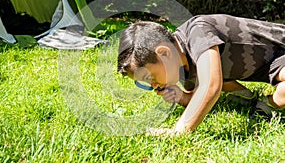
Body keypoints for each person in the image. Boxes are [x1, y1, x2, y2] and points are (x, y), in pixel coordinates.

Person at [117, 14, 285, 134]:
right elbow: (200, 96)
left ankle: (269, 103)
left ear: (164, 53)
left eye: (150, 78)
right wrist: (182, 97)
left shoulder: (198, 32)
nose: (153, 85)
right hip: (267, 67)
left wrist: (179, 130)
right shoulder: (181, 64)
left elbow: (210, 86)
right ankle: (248, 98)